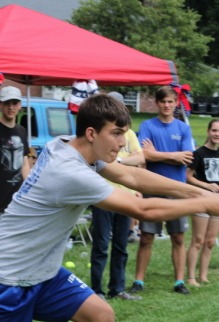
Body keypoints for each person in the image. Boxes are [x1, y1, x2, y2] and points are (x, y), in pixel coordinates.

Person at [0, 94, 219, 322]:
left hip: (41, 272)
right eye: (116, 134)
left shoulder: (68, 144)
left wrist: (199, 190)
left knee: (101, 315)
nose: (122, 143)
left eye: (123, 134)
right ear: (92, 133)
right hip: (0, 279)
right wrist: (204, 204)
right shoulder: (71, 173)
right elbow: (143, 210)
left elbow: (132, 177)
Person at [132, 86, 194, 296]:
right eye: (163, 102)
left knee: (178, 237)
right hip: (152, 187)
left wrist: (157, 153)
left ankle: (179, 282)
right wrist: (173, 156)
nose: (167, 105)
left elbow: (186, 157)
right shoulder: (147, 125)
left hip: (176, 190)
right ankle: (138, 281)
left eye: (170, 102)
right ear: (157, 103)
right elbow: (144, 156)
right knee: (146, 237)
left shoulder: (183, 128)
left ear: (176, 103)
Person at [90, 91, 145, 301]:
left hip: (126, 195)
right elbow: (101, 160)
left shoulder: (129, 134)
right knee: (101, 246)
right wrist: (125, 160)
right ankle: (97, 291)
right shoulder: (103, 132)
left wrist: (121, 162)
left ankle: (117, 289)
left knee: (121, 246)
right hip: (103, 194)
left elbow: (140, 157)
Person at [185, 119, 219, 286]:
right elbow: (187, 177)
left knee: (210, 241)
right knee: (198, 240)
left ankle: (203, 276)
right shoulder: (199, 153)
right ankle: (191, 277)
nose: (217, 134)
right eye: (214, 130)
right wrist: (206, 186)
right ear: (209, 131)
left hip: (217, 202)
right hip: (202, 200)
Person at [0, 86, 29, 238]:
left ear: (20, 105)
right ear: (0, 104)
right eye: (7, 103)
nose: (11, 107)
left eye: (15, 103)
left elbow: (24, 163)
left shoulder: (22, 131)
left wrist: (28, 191)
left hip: (16, 201)